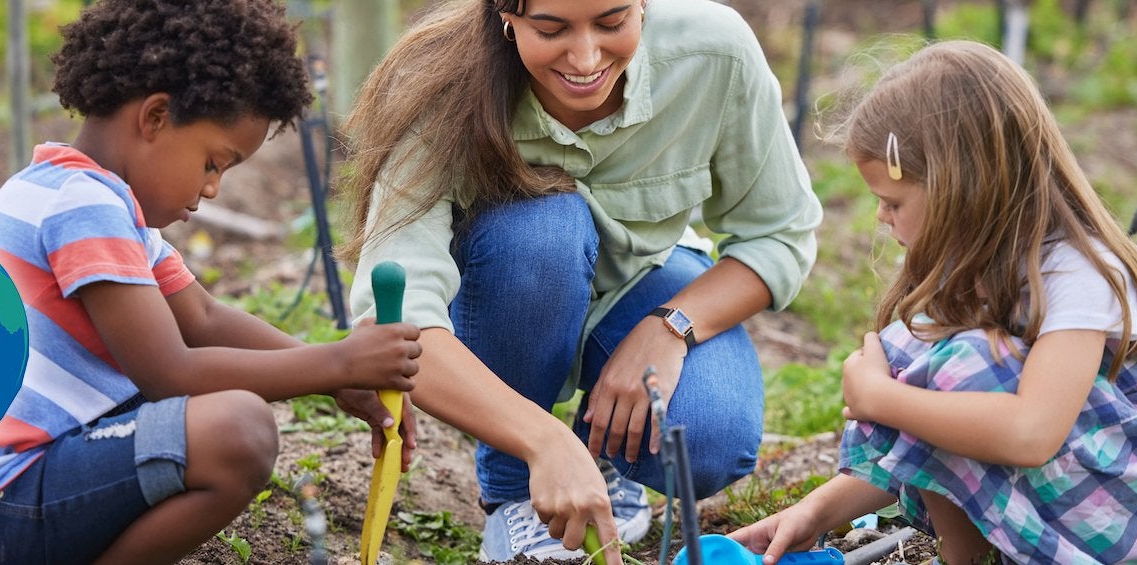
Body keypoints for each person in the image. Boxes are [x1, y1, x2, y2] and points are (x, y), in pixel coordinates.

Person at [0, 1, 422, 563]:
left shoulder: (75, 193)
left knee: (199, 408)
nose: (213, 188)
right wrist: (338, 362)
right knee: (237, 431)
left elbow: (203, 320)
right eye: (214, 163)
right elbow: (170, 372)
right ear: (155, 118)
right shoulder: (84, 206)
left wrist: (339, 377)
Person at [337, 0, 822, 560]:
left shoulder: (714, 52)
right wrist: (542, 440)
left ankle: (600, 463)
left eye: (613, 23)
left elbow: (779, 234)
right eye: (551, 30)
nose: (587, 58)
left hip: (648, 276)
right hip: (511, 285)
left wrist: (669, 328)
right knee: (545, 231)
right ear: (506, 16)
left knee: (707, 441)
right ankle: (517, 492)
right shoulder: (440, 84)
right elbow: (398, 322)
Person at [727, 40, 1137, 564]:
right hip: (1082, 484)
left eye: (892, 202)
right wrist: (814, 513)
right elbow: (933, 434)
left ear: (960, 190)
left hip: (1135, 509)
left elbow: (1031, 434)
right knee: (917, 357)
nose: (881, 217)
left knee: (952, 372)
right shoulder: (978, 265)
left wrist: (880, 397)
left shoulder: (1078, 273)